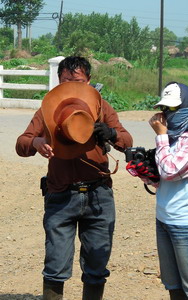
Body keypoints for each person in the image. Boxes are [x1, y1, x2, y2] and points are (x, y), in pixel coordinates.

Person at [16, 56, 133, 300]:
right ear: (58, 81)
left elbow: (126, 141)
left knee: (96, 266)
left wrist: (110, 133)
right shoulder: (48, 108)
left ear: (88, 81)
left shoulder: (101, 106)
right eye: (65, 80)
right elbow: (21, 143)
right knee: (55, 264)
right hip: (61, 194)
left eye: (77, 81)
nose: (71, 84)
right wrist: (37, 141)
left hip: (98, 195)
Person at [126, 82, 188, 300]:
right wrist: (145, 172)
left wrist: (161, 137)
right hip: (164, 218)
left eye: (174, 109)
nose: (168, 114)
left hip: (187, 222)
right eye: (166, 109)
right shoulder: (170, 137)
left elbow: (171, 170)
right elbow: (163, 179)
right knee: (173, 285)